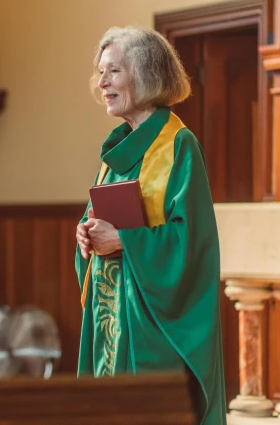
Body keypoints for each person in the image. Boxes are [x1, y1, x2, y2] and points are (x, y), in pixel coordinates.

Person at [75, 27, 226, 425]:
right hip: (112, 315)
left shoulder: (179, 145)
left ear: (144, 75)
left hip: (153, 323)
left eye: (113, 71)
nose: (102, 82)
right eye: (100, 72)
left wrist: (124, 242)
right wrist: (85, 235)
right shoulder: (116, 152)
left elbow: (191, 244)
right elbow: (98, 219)